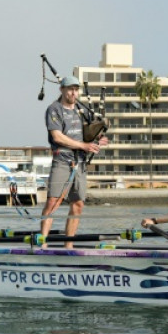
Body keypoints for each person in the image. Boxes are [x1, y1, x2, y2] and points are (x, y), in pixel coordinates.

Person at [40, 76, 108, 245]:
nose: (73, 93)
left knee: (78, 204)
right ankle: (42, 243)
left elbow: (89, 134)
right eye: (70, 89)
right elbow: (58, 137)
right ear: (61, 90)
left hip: (80, 163)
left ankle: (68, 245)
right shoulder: (54, 109)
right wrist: (83, 145)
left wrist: (97, 140)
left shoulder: (82, 110)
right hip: (62, 160)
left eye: (76, 89)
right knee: (52, 203)